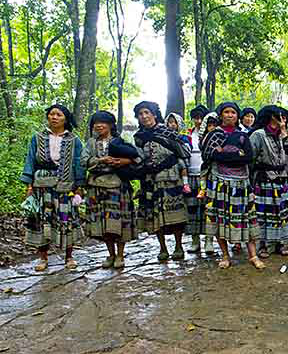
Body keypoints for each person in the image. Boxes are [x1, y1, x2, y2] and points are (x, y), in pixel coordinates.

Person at [21, 104, 85, 270]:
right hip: (42, 187)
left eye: (59, 115)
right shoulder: (37, 138)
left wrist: (79, 186)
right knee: (42, 221)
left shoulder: (74, 140)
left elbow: (79, 163)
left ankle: (69, 257)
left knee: (66, 220)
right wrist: (29, 187)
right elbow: (30, 160)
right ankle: (43, 258)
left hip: (65, 187)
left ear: (66, 119)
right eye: (51, 114)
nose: (54, 117)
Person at [202, 102, 265, 269]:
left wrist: (224, 154)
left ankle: (253, 255)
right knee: (220, 218)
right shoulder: (214, 134)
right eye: (226, 112)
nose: (230, 115)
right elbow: (209, 155)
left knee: (246, 218)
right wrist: (237, 154)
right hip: (219, 183)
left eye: (233, 112)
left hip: (241, 183)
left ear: (237, 116)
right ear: (221, 115)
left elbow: (249, 157)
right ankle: (225, 255)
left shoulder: (242, 135)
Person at [133, 101, 190, 262]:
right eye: (140, 114)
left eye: (147, 112)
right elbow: (137, 157)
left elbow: (184, 151)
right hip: (150, 180)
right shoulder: (138, 137)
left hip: (170, 177)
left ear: (154, 114)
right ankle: (162, 248)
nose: (144, 116)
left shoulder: (167, 132)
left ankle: (178, 246)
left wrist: (169, 159)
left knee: (175, 213)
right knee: (155, 214)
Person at [81, 111, 139, 268]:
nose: (99, 125)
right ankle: (111, 254)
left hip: (117, 185)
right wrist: (101, 160)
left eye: (103, 122)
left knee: (118, 222)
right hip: (96, 187)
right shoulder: (91, 143)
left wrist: (121, 161)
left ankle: (120, 255)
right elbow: (83, 161)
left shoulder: (121, 141)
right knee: (103, 223)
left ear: (111, 125)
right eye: (96, 123)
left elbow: (137, 157)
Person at [250, 105, 288, 257]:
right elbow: (251, 158)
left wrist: (284, 133)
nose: (283, 119)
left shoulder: (282, 134)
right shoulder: (258, 135)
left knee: (281, 211)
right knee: (264, 212)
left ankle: (280, 243)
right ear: (272, 117)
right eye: (280, 115)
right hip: (264, 179)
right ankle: (263, 245)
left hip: (281, 178)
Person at [185, 104, 214, 254]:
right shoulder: (188, 135)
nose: (198, 121)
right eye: (195, 118)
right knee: (192, 209)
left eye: (201, 118)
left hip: (207, 176)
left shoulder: (211, 135)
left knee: (208, 209)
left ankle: (209, 241)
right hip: (191, 175)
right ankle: (195, 240)